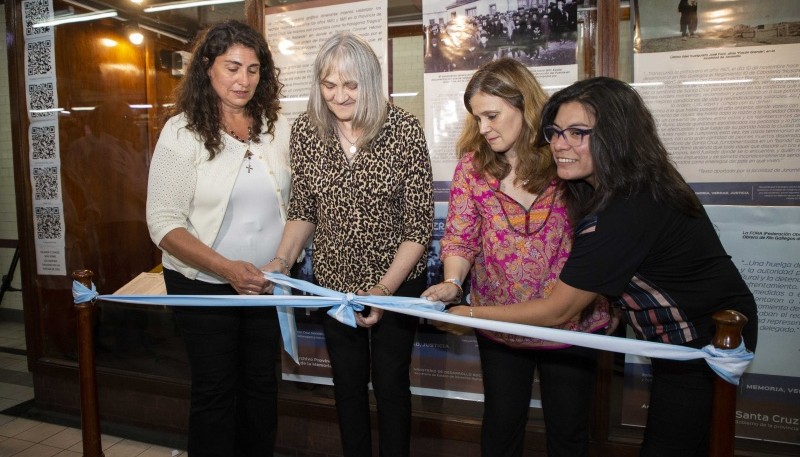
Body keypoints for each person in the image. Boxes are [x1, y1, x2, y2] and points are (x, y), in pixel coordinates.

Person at [441, 76, 758, 457]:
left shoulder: (626, 206)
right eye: (556, 132)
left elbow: (560, 308)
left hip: (701, 334)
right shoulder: (609, 186)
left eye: (578, 133)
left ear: (615, 134)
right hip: (671, 334)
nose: (561, 144)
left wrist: (469, 315)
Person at [420, 58, 610, 457]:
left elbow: (603, 232)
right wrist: (453, 283)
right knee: (502, 430)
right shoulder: (473, 168)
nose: (483, 127)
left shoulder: (566, 158)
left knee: (569, 432)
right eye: (477, 117)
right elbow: (459, 236)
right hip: (498, 320)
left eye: (492, 115)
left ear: (524, 105)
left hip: (569, 324)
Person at [264, 32, 433, 457]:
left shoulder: (404, 129)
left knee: (392, 383)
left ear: (371, 82)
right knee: (347, 385)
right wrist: (282, 260)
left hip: (395, 283)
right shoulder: (306, 132)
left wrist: (383, 290)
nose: (339, 96)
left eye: (351, 85)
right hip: (334, 283)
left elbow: (417, 229)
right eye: (329, 84)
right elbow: (303, 210)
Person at [145, 20, 290, 456]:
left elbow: (300, 203)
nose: (243, 80)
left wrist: (278, 265)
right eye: (232, 68)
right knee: (215, 393)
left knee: (263, 390)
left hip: (267, 286)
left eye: (253, 69)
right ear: (206, 67)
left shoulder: (276, 127)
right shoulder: (182, 132)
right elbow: (163, 222)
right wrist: (226, 269)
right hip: (202, 285)